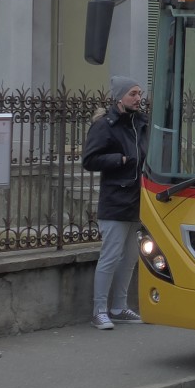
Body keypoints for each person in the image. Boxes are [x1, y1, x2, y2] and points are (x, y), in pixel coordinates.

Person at [82, 76, 147, 330]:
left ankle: (119, 307)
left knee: (131, 257)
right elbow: (89, 159)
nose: (138, 98)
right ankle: (99, 310)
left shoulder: (141, 123)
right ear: (120, 96)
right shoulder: (105, 125)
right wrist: (119, 160)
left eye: (139, 93)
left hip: (138, 200)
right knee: (110, 256)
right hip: (115, 200)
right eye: (132, 93)